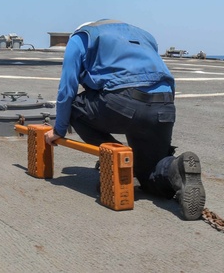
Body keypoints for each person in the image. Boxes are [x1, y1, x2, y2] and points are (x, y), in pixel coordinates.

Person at [44, 19, 205, 220]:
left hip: (123, 102)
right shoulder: (144, 35)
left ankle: (119, 162)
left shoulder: (80, 38)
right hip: (164, 106)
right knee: (151, 178)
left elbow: (67, 88)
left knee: (75, 107)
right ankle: (177, 167)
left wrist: (59, 129)